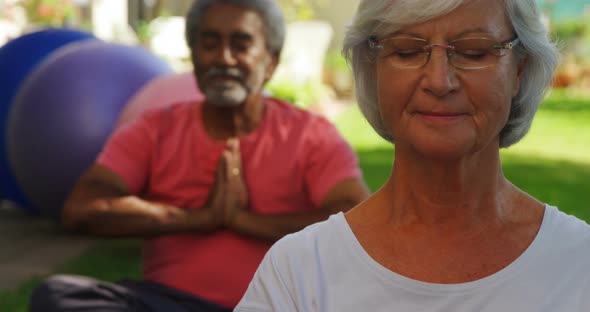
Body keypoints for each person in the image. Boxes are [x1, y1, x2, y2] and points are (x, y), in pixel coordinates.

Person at [236, 0, 590, 311]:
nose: (439, 80)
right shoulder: (300, 273)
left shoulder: (578, 263)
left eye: (473, 51)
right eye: (407, 51)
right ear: (373, 69)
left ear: (519, 70)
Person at [29, 0, 369, 311]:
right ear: (194, 55)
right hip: (169, 304)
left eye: (240, 44)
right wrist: (196, 218)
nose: (223, 57)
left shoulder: (310, 134)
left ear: (271, 61)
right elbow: (83, 207)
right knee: (58, 295)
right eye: (209, 43)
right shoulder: (155, 129)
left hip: (272, 303)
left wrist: (246, 222)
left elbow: (354, 220)